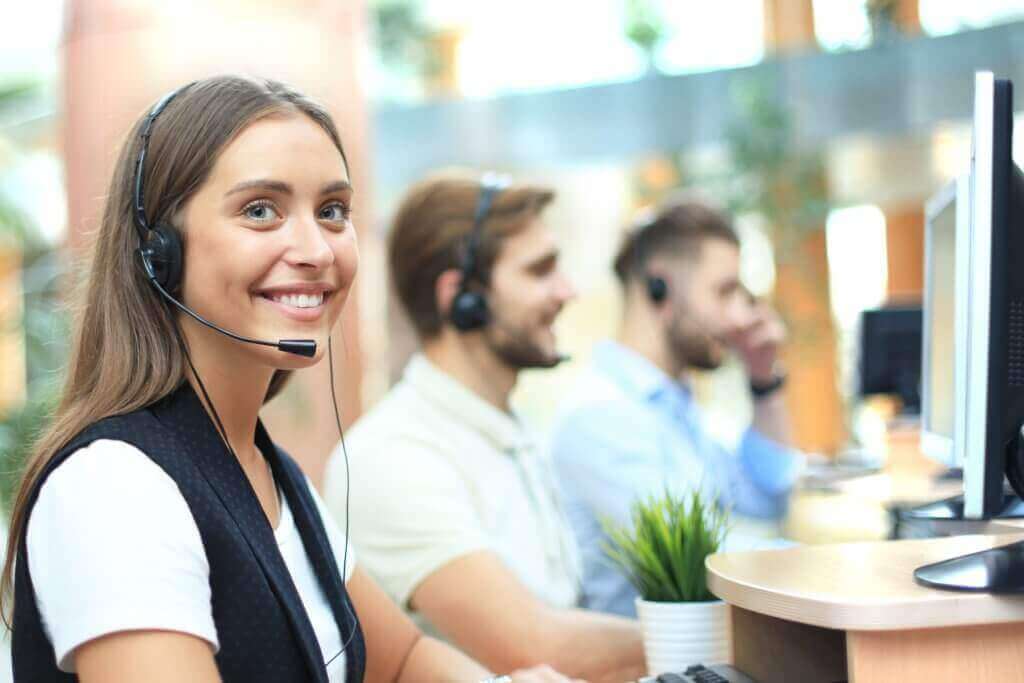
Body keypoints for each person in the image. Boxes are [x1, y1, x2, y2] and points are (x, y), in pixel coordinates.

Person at [1, 76, 578, 683]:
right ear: (159, 252)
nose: (316, 249)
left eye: (332, 211)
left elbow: (401, 660)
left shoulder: (270, 471)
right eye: (260, 210)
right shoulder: (113, 485)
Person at [324, 174, 645, 683]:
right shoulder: (391, 457)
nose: (568, 291)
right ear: (461, 298)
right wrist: (726, 629)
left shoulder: (518, 431)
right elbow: (538, 648)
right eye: (540, 271)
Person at [551, 198, 805, 618]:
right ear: (660, 289)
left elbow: (768, 496)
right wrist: (828, 564)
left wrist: (763, 378)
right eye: (724, 292)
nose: (738, 318)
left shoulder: (674, 407)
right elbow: (701, 559)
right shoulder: (600, 417)